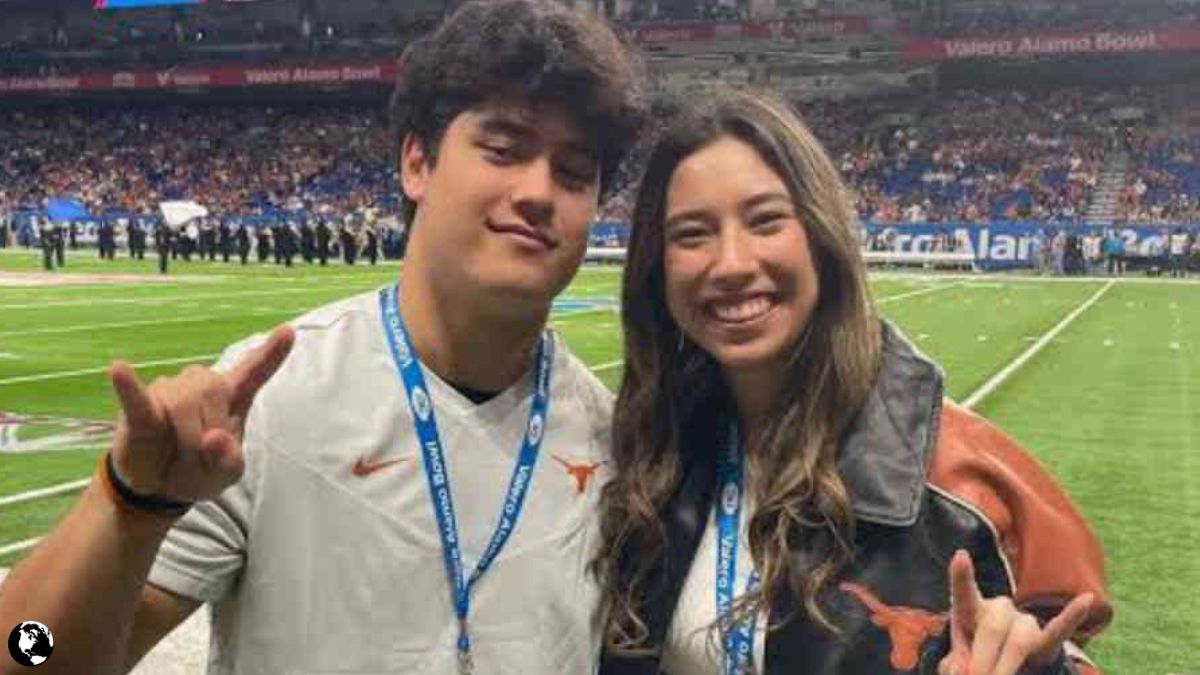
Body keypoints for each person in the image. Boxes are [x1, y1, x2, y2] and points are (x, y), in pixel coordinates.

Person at [0, 2, 646, 674]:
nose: (539, 191)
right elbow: (27, 655)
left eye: (575, 172)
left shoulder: (612, 441)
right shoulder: (271, 402)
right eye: (504, 150)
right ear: (417, 163)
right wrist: (127, 506)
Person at [593, 91, 1111, 675]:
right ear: (656, 265)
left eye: (765, 221)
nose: (732, 263)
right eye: (692, 234)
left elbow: (1058, 636)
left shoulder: (967, 485)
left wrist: (1040, 668)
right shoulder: (645, 450)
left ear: (822, 235)